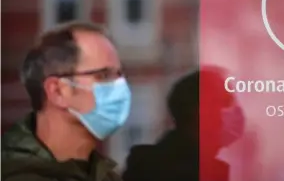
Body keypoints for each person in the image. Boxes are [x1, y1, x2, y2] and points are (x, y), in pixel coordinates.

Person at [1, 21, 132, 181]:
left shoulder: (105, 175)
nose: (120, 86)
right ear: (57, 91)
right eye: (103, 76)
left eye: (119, 74)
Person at [122, 66, 245, 181]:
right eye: (227, 101)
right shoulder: (167, 172)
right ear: (201, 111)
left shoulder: (153, 163)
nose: (237, 110)